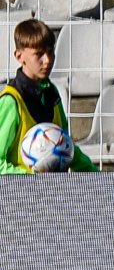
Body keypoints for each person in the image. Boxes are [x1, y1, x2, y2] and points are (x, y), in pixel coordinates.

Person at [0, 19, 97, 174]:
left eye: (50, 52)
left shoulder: (52, 93)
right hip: (19, 194)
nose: (48, 60)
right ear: (19, 56)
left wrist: (94, 173)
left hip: (54, 191)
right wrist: (28, 177)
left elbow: (64, 143)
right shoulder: (11, 101)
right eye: (39, 54)